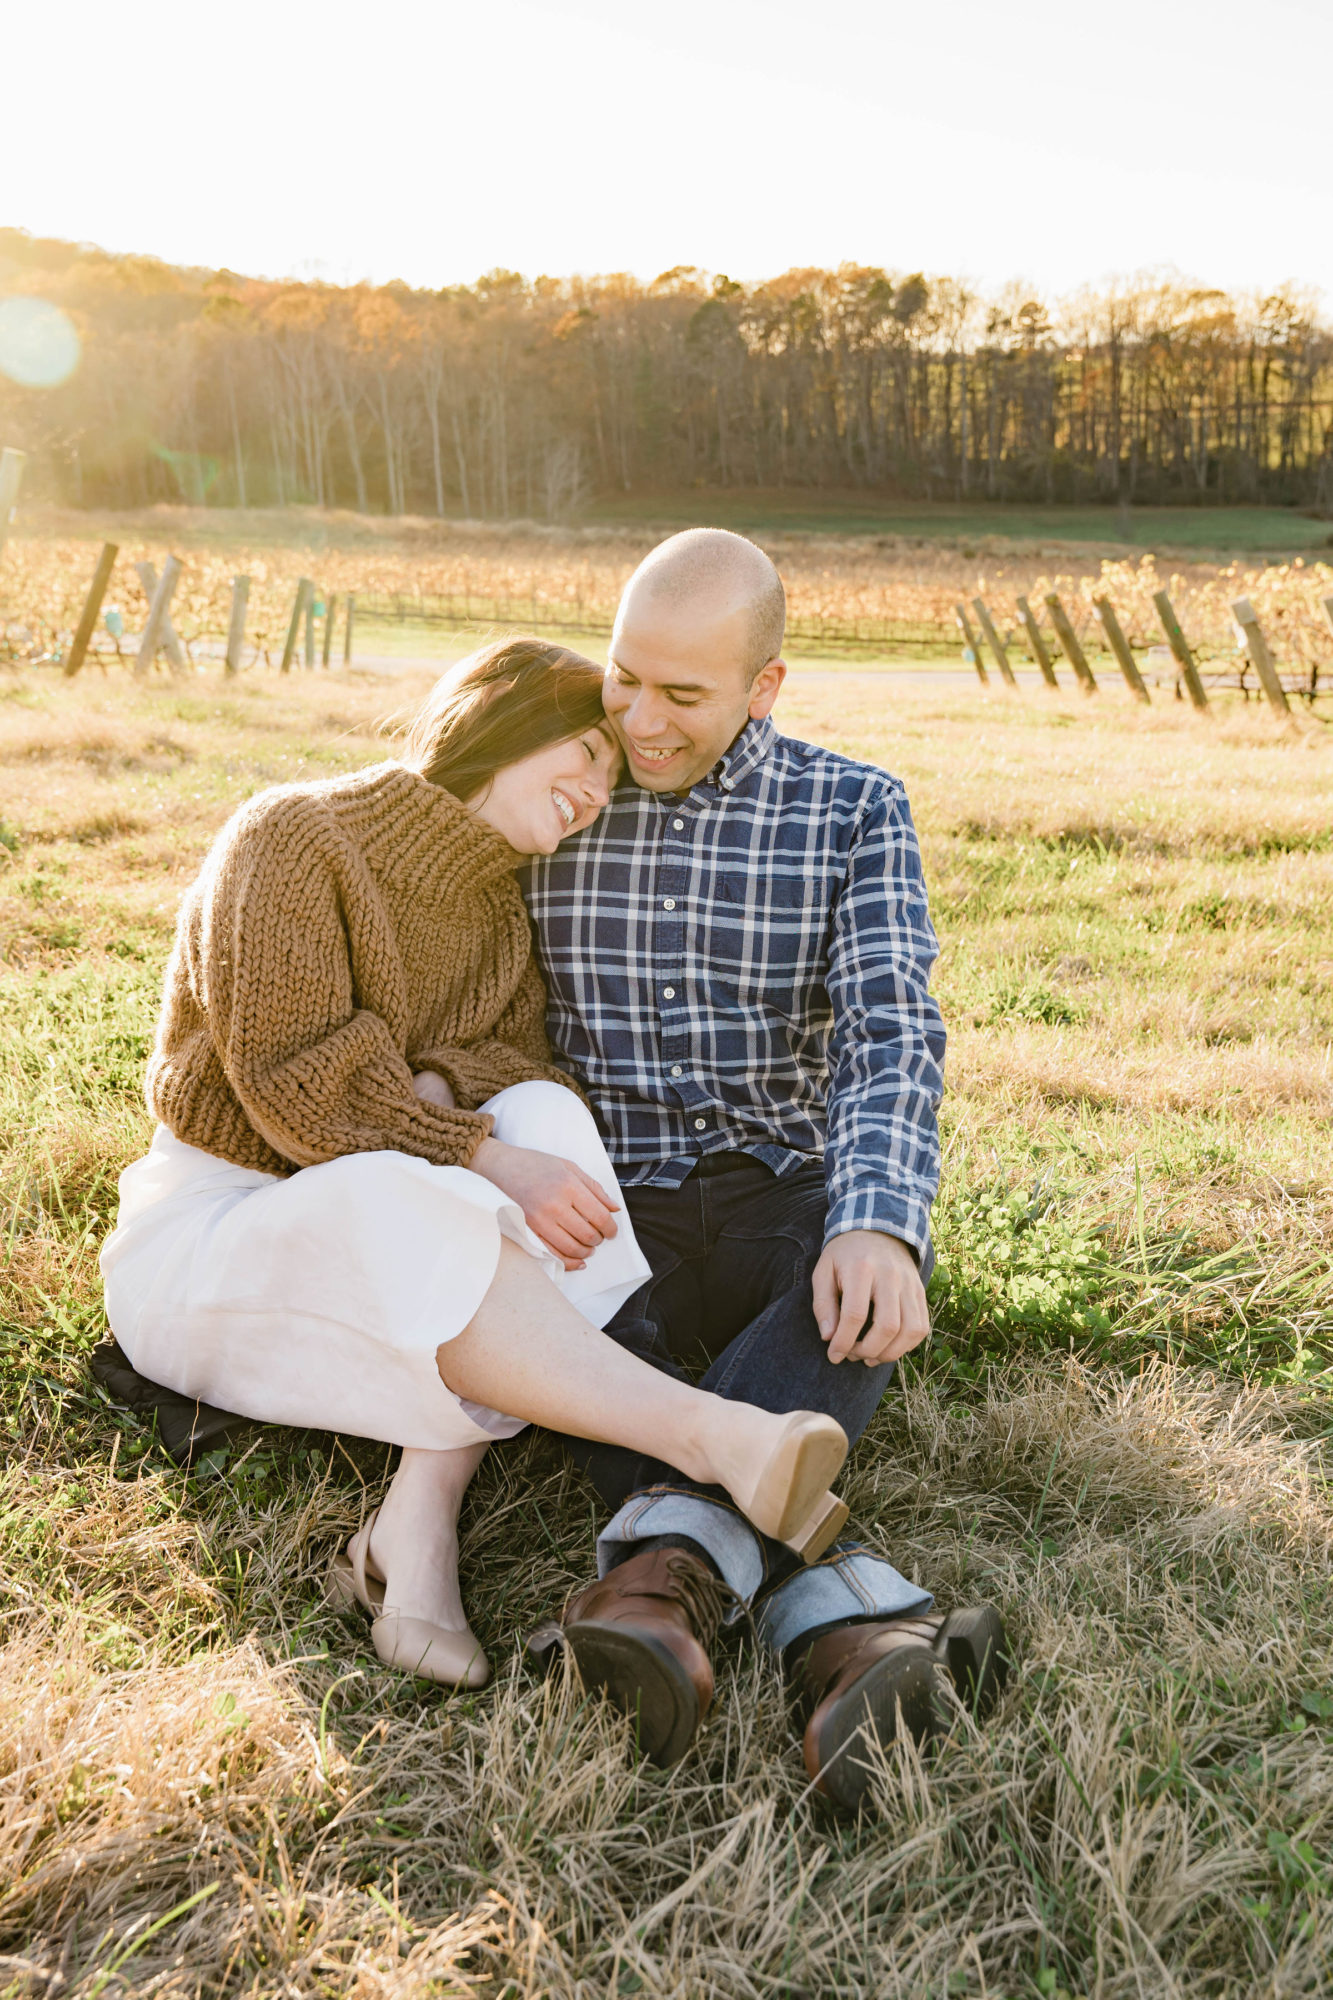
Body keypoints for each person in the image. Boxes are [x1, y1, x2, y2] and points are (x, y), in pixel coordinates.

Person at [97, 639, 853, 1692]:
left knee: (538, 1110)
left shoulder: (499, 914)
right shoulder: (293, 833)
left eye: (609, 775)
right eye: (585, 752)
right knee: (420, 1173)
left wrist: (447, 1100)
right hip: (221, 1236)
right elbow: (300, 1085)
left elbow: (515, 1066)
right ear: (497, 719)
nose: (596, 790)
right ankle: (712, 1434)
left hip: (389, 1216)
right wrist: (471, 1140)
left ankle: (419, 1514)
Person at [521, 531, 1010, 1809]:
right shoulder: (556, 789)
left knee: (844, 1288)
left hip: (780, 1196)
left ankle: (668, 1564)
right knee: (543, 1314)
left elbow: (890, 1032)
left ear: (765, 685)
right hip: (604, 1215)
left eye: (682, 694)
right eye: (625, 675)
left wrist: (880, 1224)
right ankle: (840, 1618)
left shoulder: (855, 808)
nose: (638, 718)